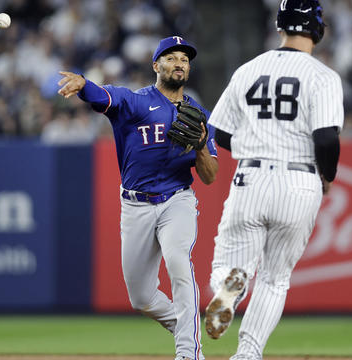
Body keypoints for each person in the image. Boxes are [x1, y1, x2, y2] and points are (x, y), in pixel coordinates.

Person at [57, 36, 218, 360]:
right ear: (156, 66)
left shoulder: (200, 114)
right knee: (141, 297)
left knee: (178, 262)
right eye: (171, 58)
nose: (179, 64)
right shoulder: (135, 102)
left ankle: (189, 352)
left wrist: (201, 145)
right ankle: (187, 326)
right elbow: (104, 96)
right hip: (135, 205)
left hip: (177, 200)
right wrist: (84, 84)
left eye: (184, 60)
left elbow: (211, 175)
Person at [204, 0, 343, 358]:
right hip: (300, 181)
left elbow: (218, 133)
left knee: (228, 267)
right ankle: (248, 353)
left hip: (250, 176)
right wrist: (327, 176)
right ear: (317, 28)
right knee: (275, 278)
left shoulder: (249, 68)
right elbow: (326, 138)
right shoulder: (323, 76)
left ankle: (228, 290)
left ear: (280, 25)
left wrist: (254, 144)